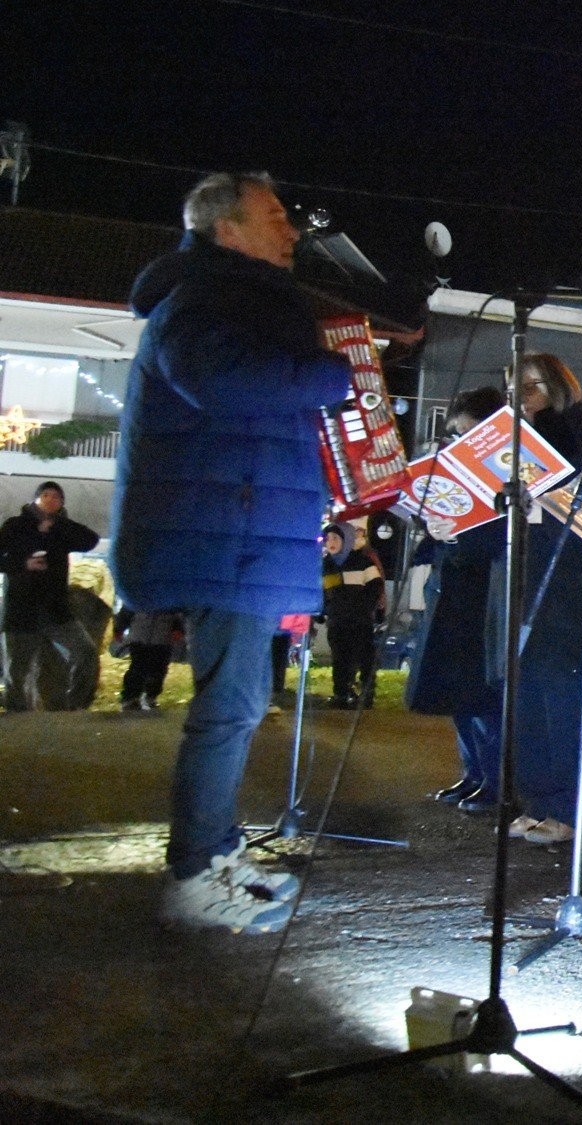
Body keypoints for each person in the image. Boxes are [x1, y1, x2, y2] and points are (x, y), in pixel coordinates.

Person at [113, 171, 352, 933]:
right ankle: (192, 874)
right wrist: (330, 375)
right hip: (225, 531)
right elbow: (223, 382)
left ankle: (216, 852)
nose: (292, 231)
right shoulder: (204, 297)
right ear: (228, 228)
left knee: (240, 703)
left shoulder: (223, 295)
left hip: (238, 526)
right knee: (229, 708)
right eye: (276, 216)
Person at [503, 351, 582, 848]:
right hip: (524, 582)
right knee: (529, 698)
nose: (521, 395)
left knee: (566, 701)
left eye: (532, 385)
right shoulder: (510, 438)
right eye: (514, 385)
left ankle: (570, 807)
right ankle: (537, 800)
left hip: (570, 583)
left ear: (558, 386)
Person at [403, 386, 507, 815]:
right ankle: (473, 771)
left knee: (480, 691)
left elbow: (504, 531)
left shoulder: (505, 468)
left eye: (469, 432)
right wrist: (431, 524)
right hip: (450, 583)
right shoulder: (453, 467)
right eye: (456, 434)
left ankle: (495, 777)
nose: (461, 440)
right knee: (453, 689)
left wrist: (458, 532)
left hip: (483, 588)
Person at [1, 481, 102, 711]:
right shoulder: (16, 525)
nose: (50, 500)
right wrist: (23, 563)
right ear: (35, 499)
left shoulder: (62, 529)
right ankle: (18, 716)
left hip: (55, 609)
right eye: (45, 495)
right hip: (21, 609)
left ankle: (75, 706)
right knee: (17, 670)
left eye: (56, 497)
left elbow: (90, 540)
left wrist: (57, 526)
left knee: (85, 653)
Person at [320, 522, 385, 709]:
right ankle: (341, 692)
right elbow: (324, 591)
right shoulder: (327, 565)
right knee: (340, 657)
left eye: (335, 538)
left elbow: (375, 586)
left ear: (346, 540)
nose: (330, 542)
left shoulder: (362, 562)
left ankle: (366, 693)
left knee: (365, 657)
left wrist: (366, 606)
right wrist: (323, 610)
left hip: (360, 620)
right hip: (337, 620)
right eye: (328, 539)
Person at [115, 607, 180, 712]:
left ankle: (151, 696)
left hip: (162, 638)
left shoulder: (171, 595)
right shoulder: (140, 593)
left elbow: (179, 613)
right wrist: (119, 629)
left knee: (159, 670)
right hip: (140, 638)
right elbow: (127, 610)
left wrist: (178, 628)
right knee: (137, 669)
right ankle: (130, 698)